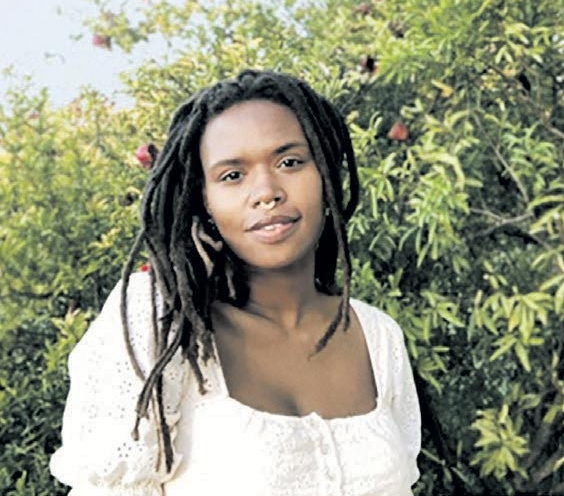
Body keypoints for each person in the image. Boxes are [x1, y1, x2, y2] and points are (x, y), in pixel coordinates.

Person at [50, 69, 421, 496]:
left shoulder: (377, 337)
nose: (266, 192)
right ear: (204, 201)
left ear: (325, 174)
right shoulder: (162, 323)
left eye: (289, 162)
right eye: (232, 175)